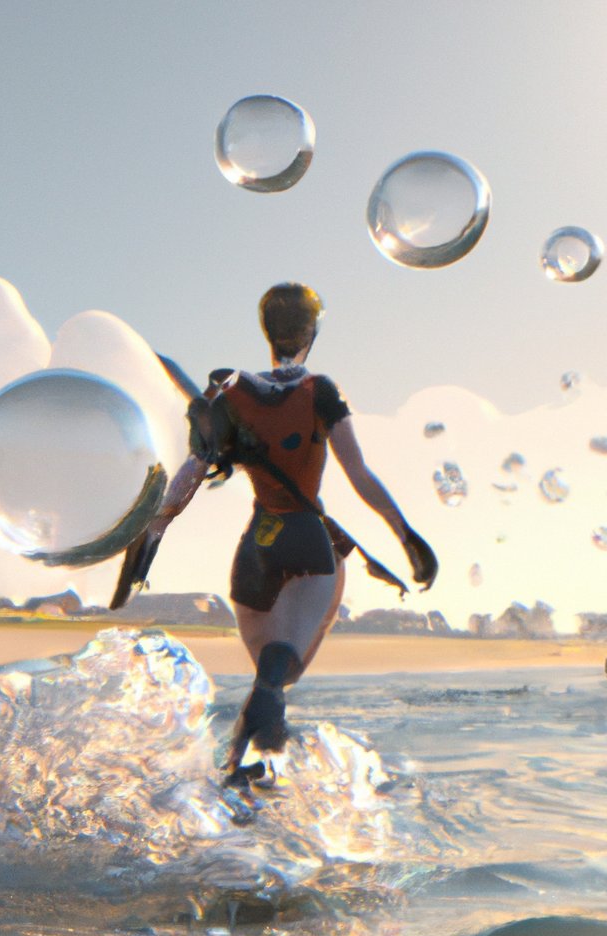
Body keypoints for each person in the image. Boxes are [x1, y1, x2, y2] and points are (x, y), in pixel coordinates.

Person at [142, 283, 437, 785]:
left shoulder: (231, 393)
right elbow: (359, 474)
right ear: (312, 332)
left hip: (256, 549)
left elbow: (193, 471)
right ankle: (260, 753)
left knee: (271, 674)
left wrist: (152, 535)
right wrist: (406, 535)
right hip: (306, 541)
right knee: (280, 674)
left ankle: (235, 774)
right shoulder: (318, 391)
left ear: (266, 332)